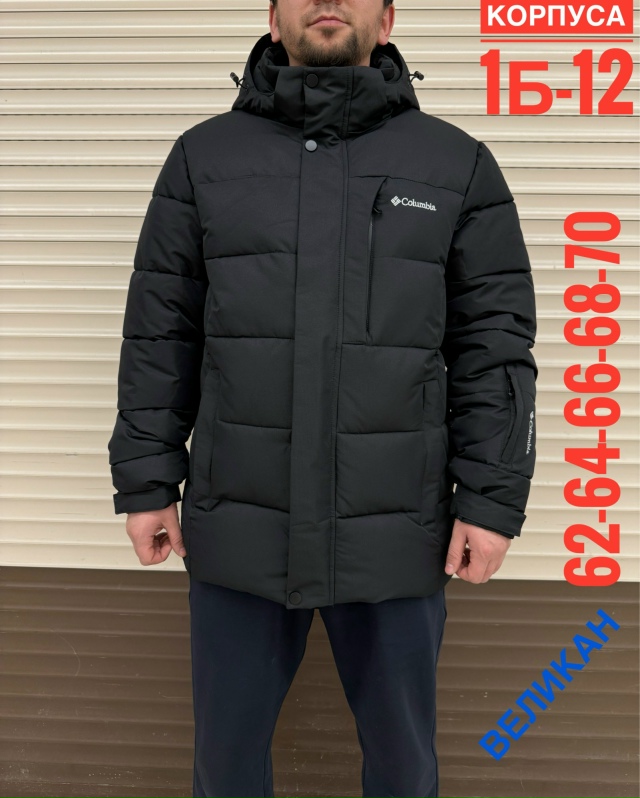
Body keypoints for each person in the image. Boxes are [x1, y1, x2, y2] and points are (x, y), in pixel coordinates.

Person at [107, 1, 538, 796]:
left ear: (388, 18)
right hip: (240, 528)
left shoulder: (455, 165)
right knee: (226, 769)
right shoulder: (204, 159)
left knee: (404, 768)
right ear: (274, 20)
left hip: (398, 535)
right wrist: (145, 480)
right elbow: (160, 333)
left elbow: (495, 350)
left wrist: (491, 499)